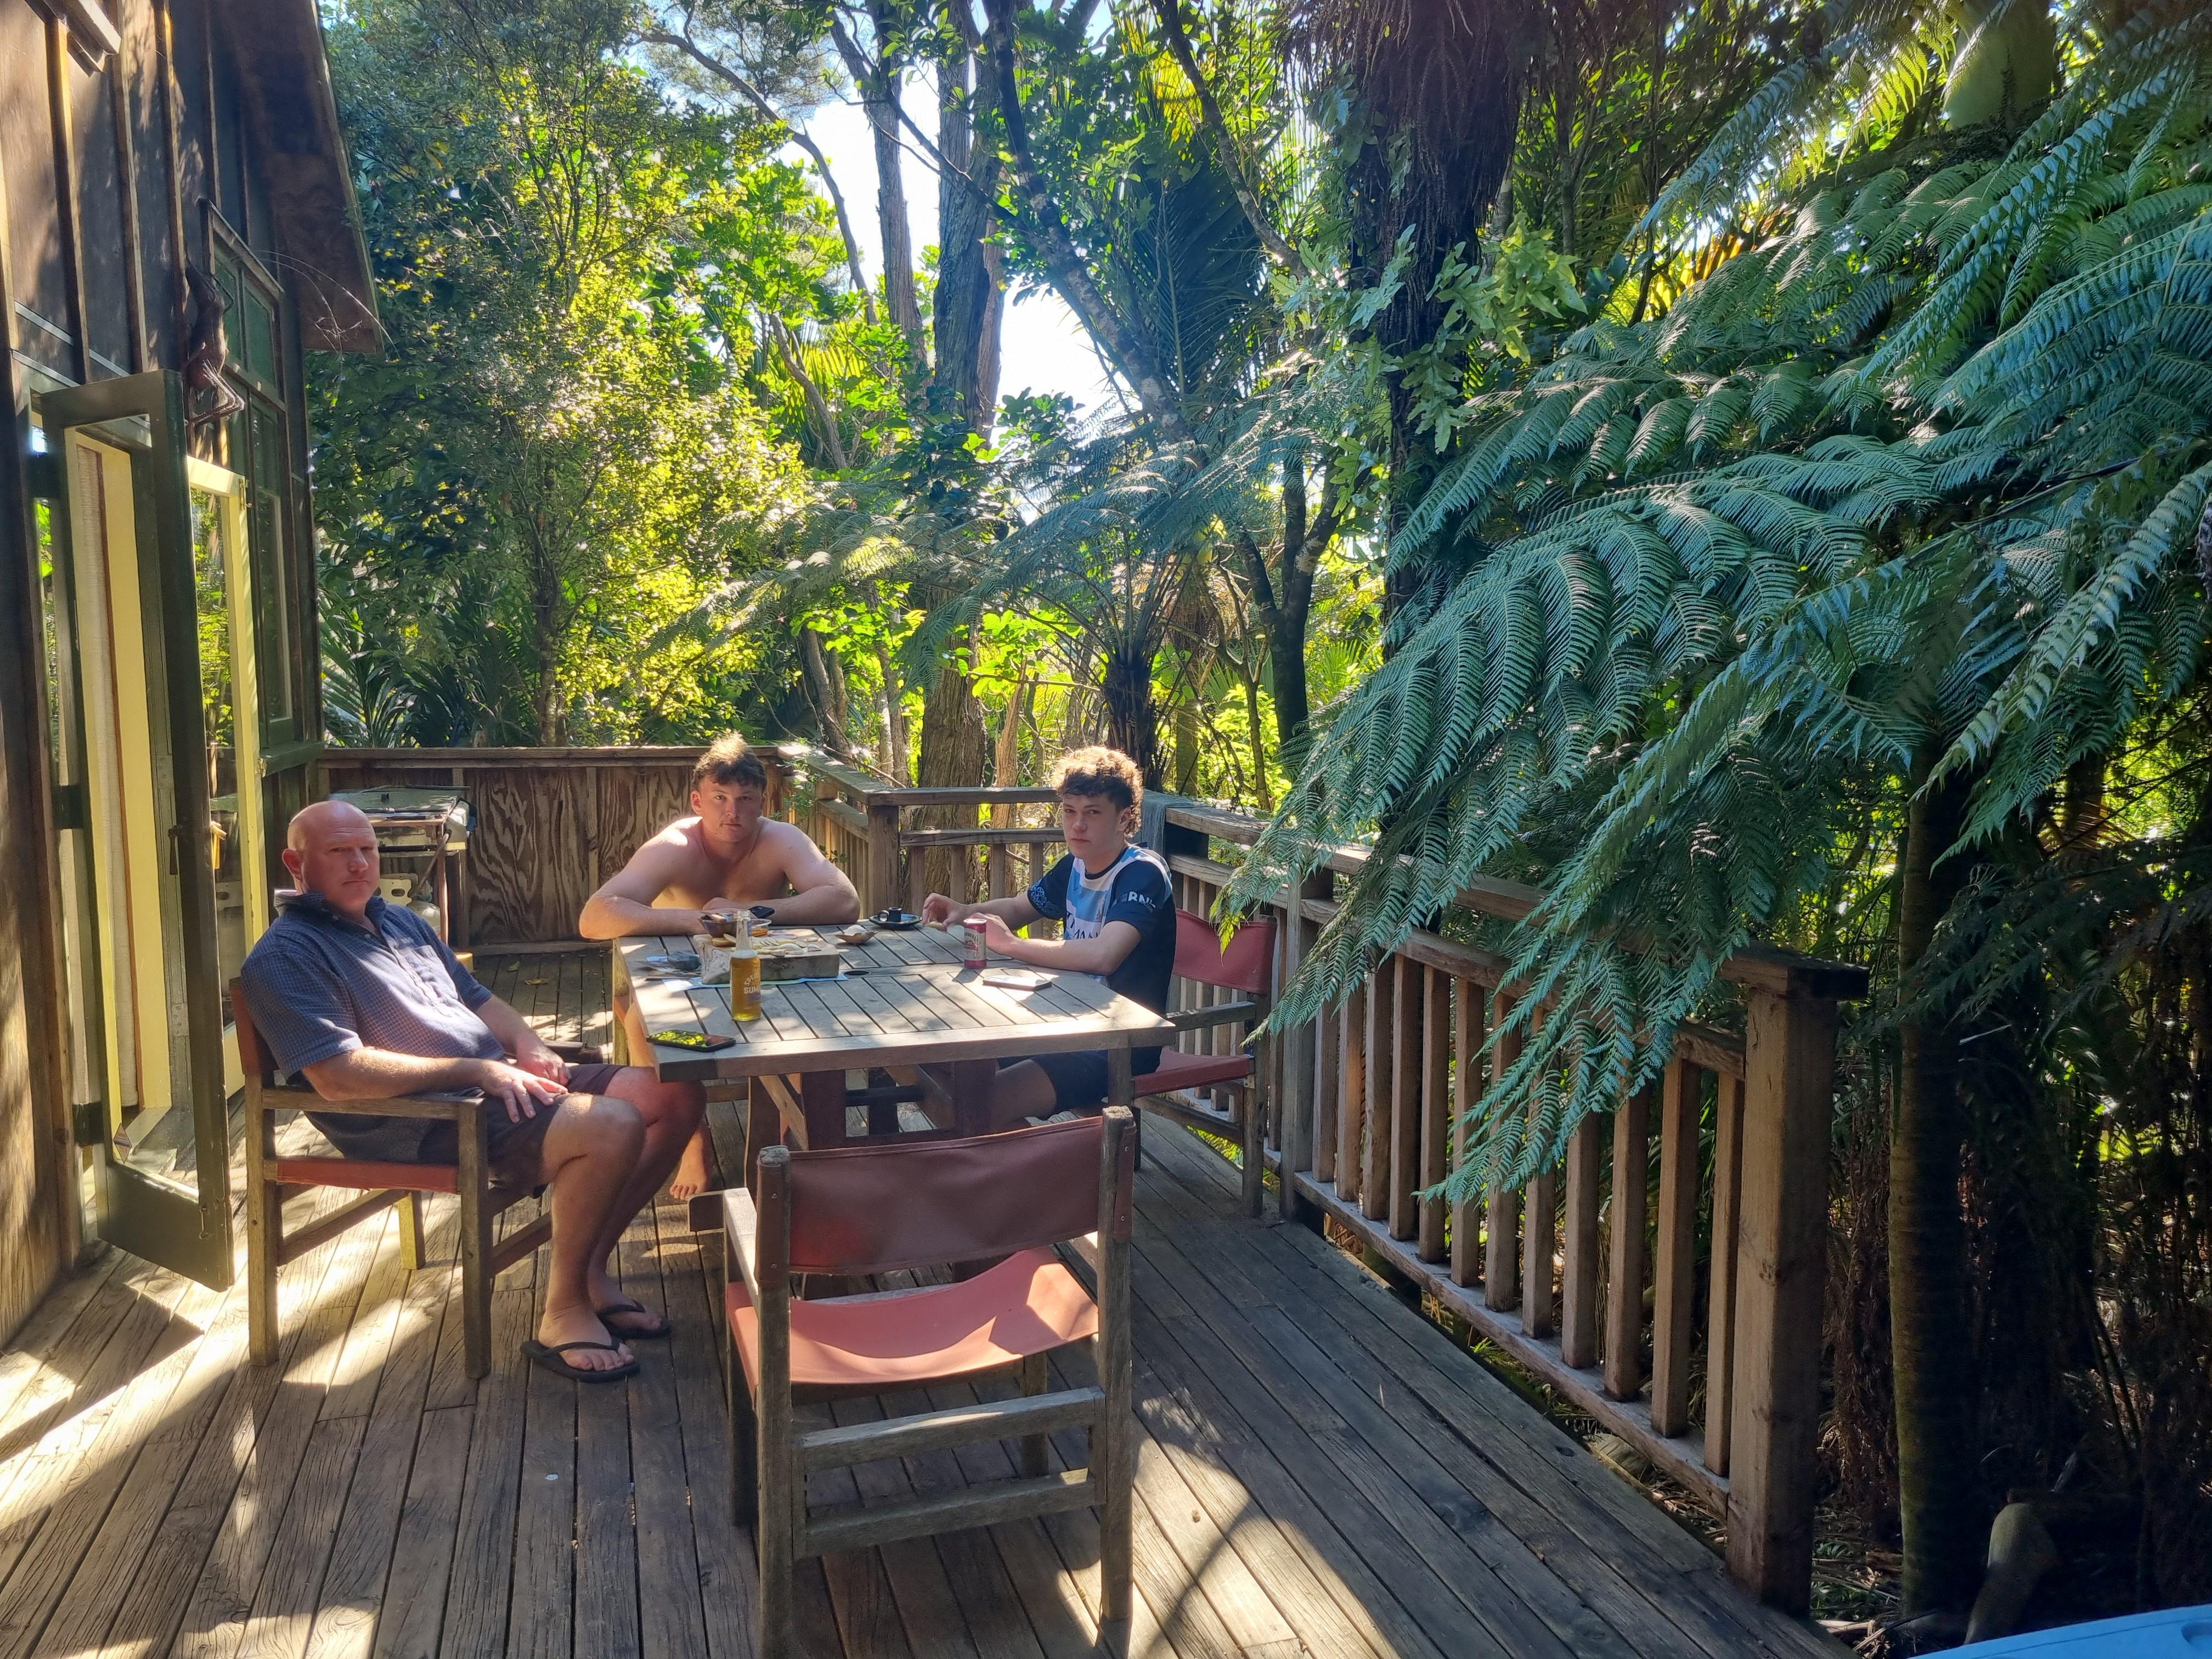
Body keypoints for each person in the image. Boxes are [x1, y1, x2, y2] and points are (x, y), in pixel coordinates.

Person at [240, 801, 705, 1382]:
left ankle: (589, 1272)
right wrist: (478, 1071)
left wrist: (529, 1043)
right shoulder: (287, 955)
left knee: (673, 1095)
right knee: (611, 1123)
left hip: (489, 1082)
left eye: (367, 849)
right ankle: (562, 1313)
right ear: (296, 863)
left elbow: (477, 998)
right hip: (424, 1119)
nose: (359, 864)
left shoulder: (400, 920)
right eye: (339, 852)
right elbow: (338, 1077)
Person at [580, 732, 860, 1198]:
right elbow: (594, 916)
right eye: (720, 798)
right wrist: (700, 920)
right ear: (698, 801)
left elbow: (844, 901)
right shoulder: (674, 845)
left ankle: (794, 1143)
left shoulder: (781, 838)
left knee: (809, 1028)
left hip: (767, 979)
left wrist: (750, 914)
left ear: (763, 801)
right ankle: (692, 1137)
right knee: (644, 1024)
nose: (733, 812)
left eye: (746, 799)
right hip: (682, 981)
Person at [921, 746, 1175, 1130]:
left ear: (1124, 819)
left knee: (976, 1105)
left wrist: (1012, 945)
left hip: (1117, 1042)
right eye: (1070, 811)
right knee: (936, 1061)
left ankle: (1041, 1173)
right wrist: (966, 910)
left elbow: (1105, 956)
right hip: (1061, 1025)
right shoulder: (1074, 867)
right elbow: (1021, 907)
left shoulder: (1143, 874)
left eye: (1092, 813)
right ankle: (1018, 1167)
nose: (1077, 825)